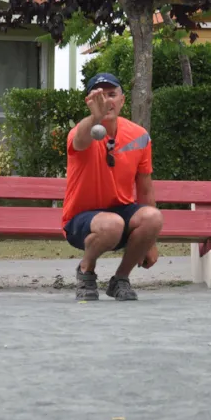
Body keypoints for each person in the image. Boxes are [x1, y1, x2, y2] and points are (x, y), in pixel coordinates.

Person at [61, 73, 164, 302]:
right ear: (89, 101)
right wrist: (94, 119)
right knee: (112, 224)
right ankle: (86, 271)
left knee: (153, 218)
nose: (107, 101)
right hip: (81, 220)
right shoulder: (82, 131)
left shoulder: (139, 136)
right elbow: (80, 140)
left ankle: (120, 279)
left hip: (120, 212)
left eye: (112, 94)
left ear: (122, 100)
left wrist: (151, 242)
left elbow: (145, 190)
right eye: (99, 96)